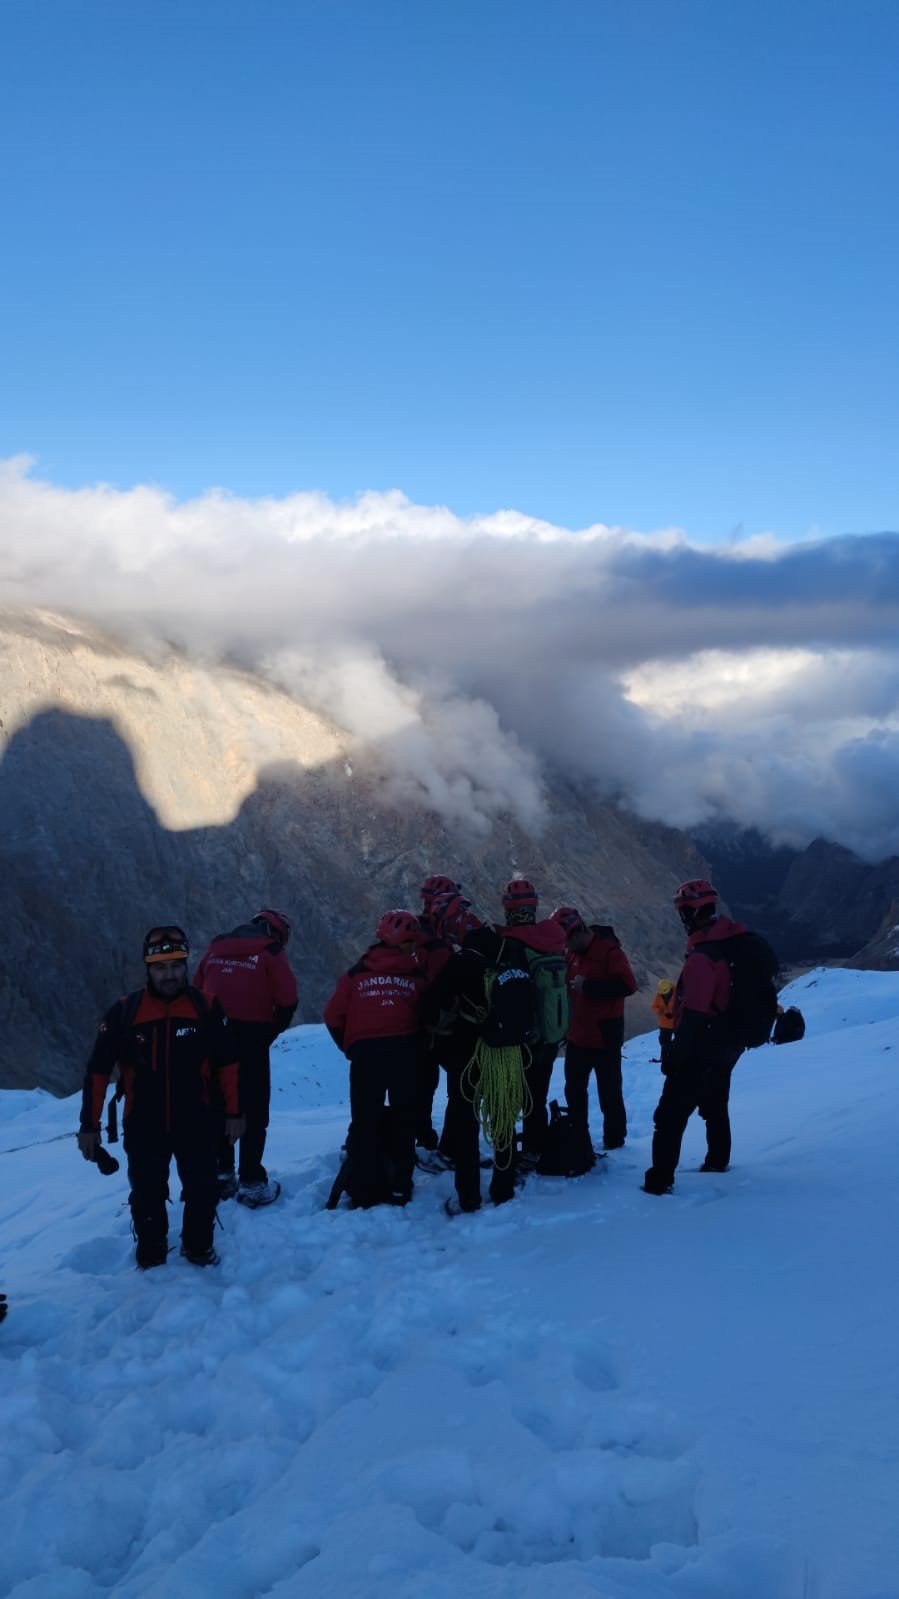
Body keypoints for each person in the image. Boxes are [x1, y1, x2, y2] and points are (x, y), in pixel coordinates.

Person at [78, 926, 243, 1268]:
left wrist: (234, 1112)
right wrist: (88, 1126)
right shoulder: (124, 1011)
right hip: (143, 1122)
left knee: (202, 1189)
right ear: (148, 969)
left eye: (175, 966)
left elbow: (228, 1064)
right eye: (160, 968)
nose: (169, 975)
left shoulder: (207, 1007)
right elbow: (98, 1071)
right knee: (147, 1192)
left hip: (197, 1118)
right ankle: (151, 1255)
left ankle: (198, 1248)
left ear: (185, 965)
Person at [422, 892, 535, 1213]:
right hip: (509, 1050)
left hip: (468, 1054)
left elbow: (430, 1003)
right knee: (504, 1115)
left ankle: (468, 1196)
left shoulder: (461, 962)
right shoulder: (511, 948)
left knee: (466, 1122)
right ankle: (503, 1186)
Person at [643, 880, 752, 1194]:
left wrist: (676, 1055)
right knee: (715, 1106)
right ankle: (718, 1162)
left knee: (669, 1116)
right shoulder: (732, 940)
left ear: (689, 914)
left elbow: (695, 1012)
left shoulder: (704, 957)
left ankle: (659, 1182)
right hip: (728, 1043)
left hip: (703, 1045)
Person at [323, 909, 428, 1208]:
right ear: (405, 942)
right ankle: (400, 1186)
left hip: (366, 1056)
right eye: (411, 942)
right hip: (404, 1054)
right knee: (404, 1119)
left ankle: (364, 1189)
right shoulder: (416, 976)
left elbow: (332, 1015)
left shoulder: (358, 973)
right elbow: (427, 1014)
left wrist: (350, 1047)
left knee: (364, 1122)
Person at [194, 907, 298, 1207]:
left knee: (219, 1104)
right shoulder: (271, 952)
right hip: (251, 1037)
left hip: (214, 1035)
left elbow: (197, 990)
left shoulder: (215, 948)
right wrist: (271, 1031)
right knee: (253, 1109)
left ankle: (221, 1174)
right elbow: (288, 999)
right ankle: (251, 1179)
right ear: (277, 933)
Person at [551, 906, 637, 1150]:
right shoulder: (573, 954)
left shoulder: (610, 952)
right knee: (574, 1088)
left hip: (604, 1035)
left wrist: (589, 987)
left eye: (567, 940)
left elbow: (627, 986)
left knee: (609, 1091)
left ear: (578, 932)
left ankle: (615, 1139)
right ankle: (579, 1135)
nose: (566, 946)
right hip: (578, 1034)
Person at [496, 879, 567, 1162]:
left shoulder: (511, 946)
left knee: (509, 1096)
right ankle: (536, 1147)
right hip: (549, 1036)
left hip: (521, 1036)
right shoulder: (552, 940)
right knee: (536, 1094)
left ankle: (509, 1155)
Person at [414, 874, 459, 1151]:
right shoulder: (438, 945)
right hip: (437, 1027)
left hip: (410, 1024)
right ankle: (448, 1145)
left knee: (418, 1086)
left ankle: (420, 1136)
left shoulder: (411, 934)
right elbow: (445, 986)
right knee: (459, 1084)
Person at [651, 978, 676, 1065]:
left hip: (676, 1023)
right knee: (664, 1043)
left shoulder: (677, 993)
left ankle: (677, 1056)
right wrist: (660, 1010)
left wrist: (673, 1013)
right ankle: (665, 1058)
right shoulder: (659, 996)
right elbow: (653, 1007)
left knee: (680, 1040)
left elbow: (683, 1005)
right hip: (664, 1024)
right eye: (663, 993)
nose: (665, 995)